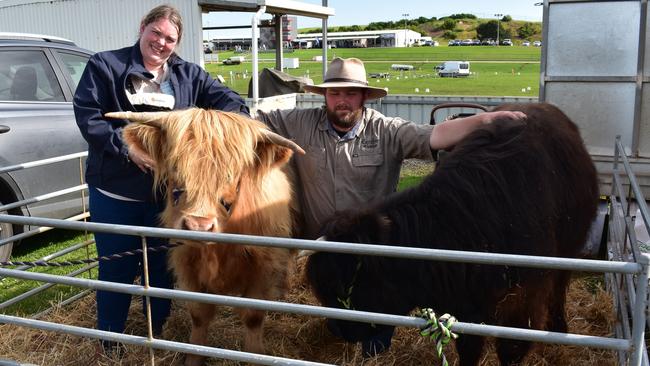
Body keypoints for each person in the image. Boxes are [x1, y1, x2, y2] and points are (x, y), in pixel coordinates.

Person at [256, 57, 525, 356]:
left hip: (373, 249)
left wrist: (484, 121)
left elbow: (432, 136)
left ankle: (377, 338)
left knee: (376, 302)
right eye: (334, 93)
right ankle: (342, 325)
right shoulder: (299, 123)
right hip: (324, 242)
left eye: (350, 93)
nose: (341, 101)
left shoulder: (386, 130)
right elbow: (255, 119)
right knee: (335, 298)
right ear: (324, 96)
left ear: (364, 96)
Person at [73, 5, 249, 351]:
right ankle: (110, 341)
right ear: (143, 28)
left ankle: (157, 333)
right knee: (117, 269)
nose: (161, 43)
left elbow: (232, 102)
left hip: (166, 199)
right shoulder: (105, 65)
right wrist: (127, 149)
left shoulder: (188, 75)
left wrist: (219, 128)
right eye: (156, 33)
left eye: (170, 38)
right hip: (116, 194)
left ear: (177, 43)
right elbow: (89, 117)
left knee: (162, 269)